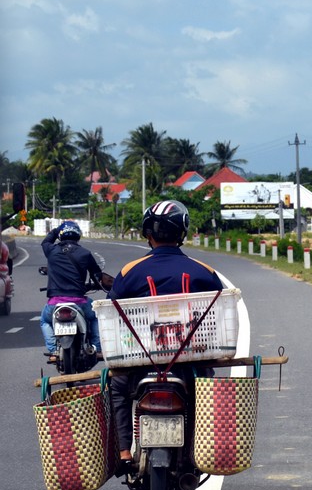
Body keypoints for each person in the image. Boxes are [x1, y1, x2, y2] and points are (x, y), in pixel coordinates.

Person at [108, 200, 224, 474]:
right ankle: (201, 447)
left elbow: (112, 309)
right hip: (191, 360)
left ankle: (124, 451)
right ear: (182, 232)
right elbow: (219, 309)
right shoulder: (204, 271)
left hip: (139, 361)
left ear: (148, 233)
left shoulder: (128, 271)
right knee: (205, 393)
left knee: (117, 389)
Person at [40, 220, 108, 358]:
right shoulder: (85, 253)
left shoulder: (51, 250)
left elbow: (45, 241)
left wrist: (56, 229)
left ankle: (53, 350)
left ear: (60, 236)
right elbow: (97, 275)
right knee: (95, 317)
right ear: (78, 236)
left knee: (45, 320)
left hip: (55, 302)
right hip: (79, 301)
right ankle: (96, 347)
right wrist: (97, 284)